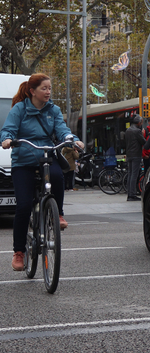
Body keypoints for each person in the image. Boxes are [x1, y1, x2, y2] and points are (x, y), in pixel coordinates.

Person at [0, 73, 84, 271]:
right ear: (32, 91)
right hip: (23, 161)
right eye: (44, 88)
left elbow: (62, 129)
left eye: (49, 89)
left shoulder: (53, 110)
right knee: (23, 207)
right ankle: (19, 252)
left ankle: (59, 214)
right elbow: (8, 129)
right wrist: (7, 139)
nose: (48, 92)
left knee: (57, 176)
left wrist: (71, 138)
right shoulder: (19, 109)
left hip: (45, 156)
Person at [124, 115, 145, 201]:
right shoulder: (137, 131)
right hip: (136, 154)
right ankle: (132, 194)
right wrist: (143, 134)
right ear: (139, 122)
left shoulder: (128, 130)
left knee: (130, 174)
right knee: (134, 175)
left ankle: (129, 193)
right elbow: (143, 141)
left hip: (129, 154)